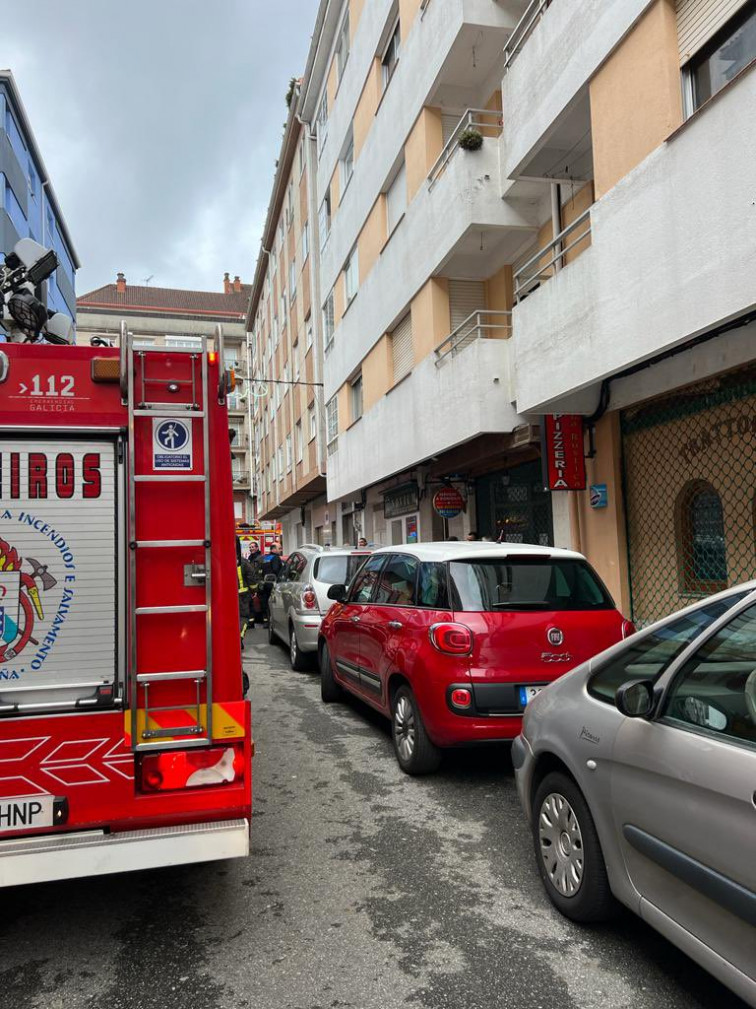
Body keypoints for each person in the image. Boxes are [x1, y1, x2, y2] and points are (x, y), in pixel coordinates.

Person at [261, 542, 283, 625]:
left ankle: (267, 620)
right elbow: (276, 570)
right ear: (273, 549)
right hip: (273, 584)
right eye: (279, 548)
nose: (281, 550)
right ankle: (275, 621)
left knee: (267, 603)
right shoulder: (276, 558)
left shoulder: (266, 558)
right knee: (275, 604)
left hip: (265, 583)